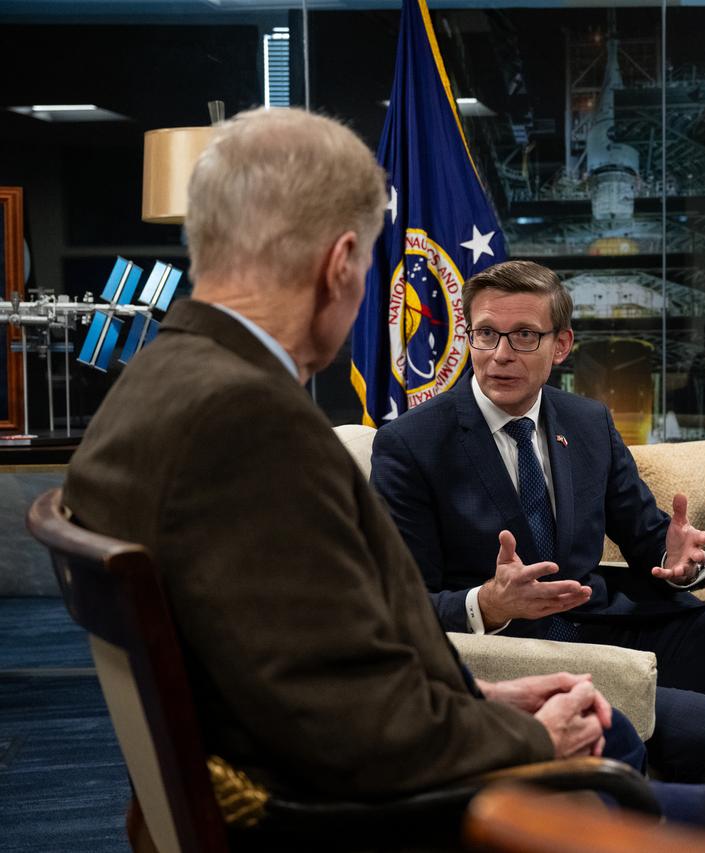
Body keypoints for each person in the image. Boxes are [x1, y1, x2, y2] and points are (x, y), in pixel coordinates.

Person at [60, 109, 644, 816]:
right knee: (638, 759)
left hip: (313, 774)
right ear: (340, 264)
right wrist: (528, 736)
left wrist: (483, 696)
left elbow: (308, 665)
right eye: (370, 263)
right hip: (360, 817)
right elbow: (349, 727)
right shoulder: (249, 421)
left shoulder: (156, 384)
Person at [371, 259, 705, 783]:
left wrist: (678, 558)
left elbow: (647, 535)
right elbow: (398, 606)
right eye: (485, 334)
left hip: (609, 627)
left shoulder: (587, 421)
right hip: (515, 657)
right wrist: (489, 602)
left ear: (561, 345)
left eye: (524, 335)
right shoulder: (411, 444)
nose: (500, 354)